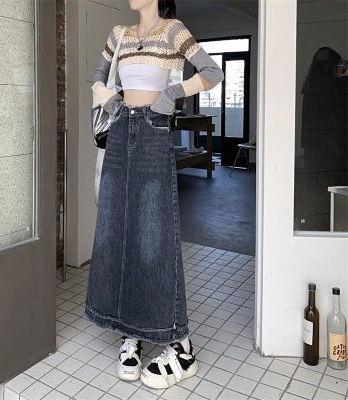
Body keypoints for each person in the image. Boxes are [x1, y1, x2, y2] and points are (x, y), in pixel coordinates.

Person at [86, 0, 224, 390]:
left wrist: (171, 95)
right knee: (116, 228)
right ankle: (130, 333)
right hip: (119, 131)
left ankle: (176, 339)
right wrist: (109, 98)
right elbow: (97, 78)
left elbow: (212, 73)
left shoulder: (173, 30)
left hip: (154, 131)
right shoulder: (119, 34)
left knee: (153, 234)